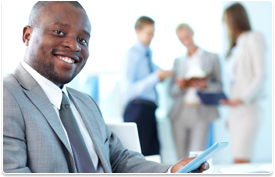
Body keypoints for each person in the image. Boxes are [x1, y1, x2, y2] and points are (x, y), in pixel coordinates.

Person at [3, 1, 209, 173]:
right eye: (59, 32)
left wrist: (171, 170)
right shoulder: (8, 96)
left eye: (82, 39)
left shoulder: (86, 103)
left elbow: (118, 159)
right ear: (27, 35)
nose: (74, 46)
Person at [220, 3, 266, 164]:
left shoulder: (253, 38)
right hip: (235, 112)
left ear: (235, 19)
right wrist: (230, 116)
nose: (225, 25)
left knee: (240, 159)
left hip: (248, 109)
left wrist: (241, 99)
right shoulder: (235, 46)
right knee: (237, 157)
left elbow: (260, 76)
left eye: (226, 21)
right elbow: (235, 84)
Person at [121, 16, 173, 156]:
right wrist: (156, 77)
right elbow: (128, 91)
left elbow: (156, 72)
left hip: (149, 111)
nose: (152, 37)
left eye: (153, 33)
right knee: (140, 157)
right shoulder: (131, 56)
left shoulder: (147, 56)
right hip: (137, 111)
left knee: (153, 155)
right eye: (149, 33)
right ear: (138, 30)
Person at [169, 23, 222, 160]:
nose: (186, 42)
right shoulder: (178, 61)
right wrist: (181, 86)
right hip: (180, 113)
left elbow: (219, 86)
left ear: (193, 34)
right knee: (181, 159)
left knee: (196, 159)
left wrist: (206, 85)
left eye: (187, 37)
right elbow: (171, 91)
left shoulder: (211, 57)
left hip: (201, 113)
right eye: (181, 39)